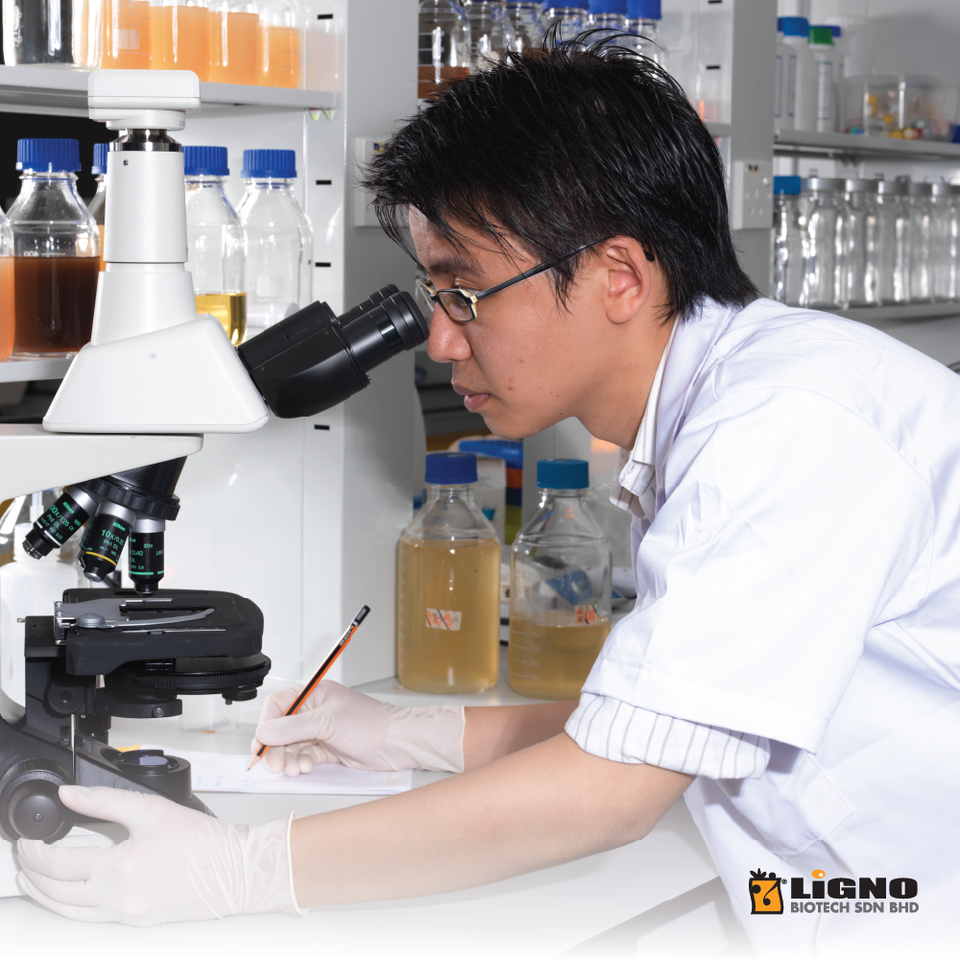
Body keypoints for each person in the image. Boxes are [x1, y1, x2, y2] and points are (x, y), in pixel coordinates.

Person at [15, 40, 959, 955]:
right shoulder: (738, 407)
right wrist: (409, 734)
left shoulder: (791, 426)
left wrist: (244, 870)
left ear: (619, 278)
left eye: (465, 294)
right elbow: (662, 721)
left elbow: (610, 789)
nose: (439, 341)